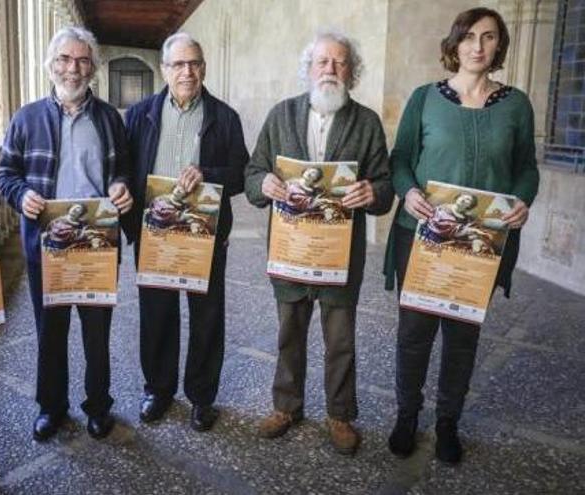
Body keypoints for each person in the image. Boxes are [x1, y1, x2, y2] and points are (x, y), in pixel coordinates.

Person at [383, 7, 539, 464]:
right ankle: (407, 415)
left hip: (481, 243)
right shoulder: (425, 98)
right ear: (454, 44)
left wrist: (522, 200)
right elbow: (400, 158)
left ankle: (448, 422)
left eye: (488, 38)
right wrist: (407, 191)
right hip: (423, 236)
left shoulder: (516, 104)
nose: (477, 46)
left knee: (463, 336)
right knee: (414, 332)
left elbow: (525, 167)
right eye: (468, 37)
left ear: (499, 47)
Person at [245, 30, 393, 455]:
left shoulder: (366, 122)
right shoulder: (280, 115)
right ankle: (286, 406)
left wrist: (372, 192)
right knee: (289, 333)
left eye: (340, 62)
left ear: (352, 72)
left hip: (339, 255)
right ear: (308, 69)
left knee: (340, 339)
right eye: (322, 62)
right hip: (291, 251)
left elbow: (383, 184)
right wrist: (265, 183)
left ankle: (340, 414)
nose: (330, 69)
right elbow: (253, 172)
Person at [0, 27, 133, 442]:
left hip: (96, 244)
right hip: (48, 246)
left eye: (82, 60)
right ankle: (50, 407)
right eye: (65, 60)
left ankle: (97, 406)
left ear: (92, 67)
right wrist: (22, 197)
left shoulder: (110, 119)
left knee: (96, 333)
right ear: (51, 64)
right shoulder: (26, 118)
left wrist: (120, 187)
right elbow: (6, 174)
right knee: (49, 332)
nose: (73, 69)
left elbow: (123, 169)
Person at [123, 32, 249, 431]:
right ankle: (158, 390)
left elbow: (243, 174)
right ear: (164, 69)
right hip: (154, 233)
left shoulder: (224, 116)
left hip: (204, 235)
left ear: (204, 67)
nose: (187, 71)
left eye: (194, 63)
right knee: (156, 315)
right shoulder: (140, 114)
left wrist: (208, 175)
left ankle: (201, 397)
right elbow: (126, 171)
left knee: (206, 317)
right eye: (178, 64)